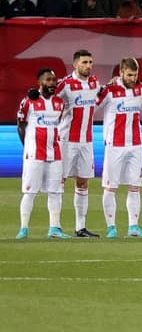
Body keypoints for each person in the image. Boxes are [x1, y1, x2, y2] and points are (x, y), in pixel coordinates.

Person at [16, 69, 69, 239]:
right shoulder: (28, 102)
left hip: (55, 153)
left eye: (54, 80)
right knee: (30, 192)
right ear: (40, 82)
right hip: (34, 154)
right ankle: (23, 229)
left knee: (55, 192)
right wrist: (27, 146)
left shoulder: (60, 104)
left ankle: (54, 228)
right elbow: (20, 124)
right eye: (48, 80)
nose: (52, 83)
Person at [98, 59, 142, 238]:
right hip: (114, 145)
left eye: (135, 75)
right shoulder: (110, 91)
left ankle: (133, 226)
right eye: (129, 75)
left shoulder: (140, 88)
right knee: (111, 187)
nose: (133, 78)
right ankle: (111, 227)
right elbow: (91, 104)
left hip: (135, 145)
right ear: (121, 73)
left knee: (135, 186)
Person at [54, 49, 100, 238]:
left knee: (82, 182)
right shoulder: (65, 84)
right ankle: (54, 226)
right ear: (75, 65)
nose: (88, 66)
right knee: (59, 182)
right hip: (67, 141)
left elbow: (102, 94)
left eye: (90, 62)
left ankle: (80, 227)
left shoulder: (94, 82)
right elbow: (48, 99)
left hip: (86, 141)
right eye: (84, 63)